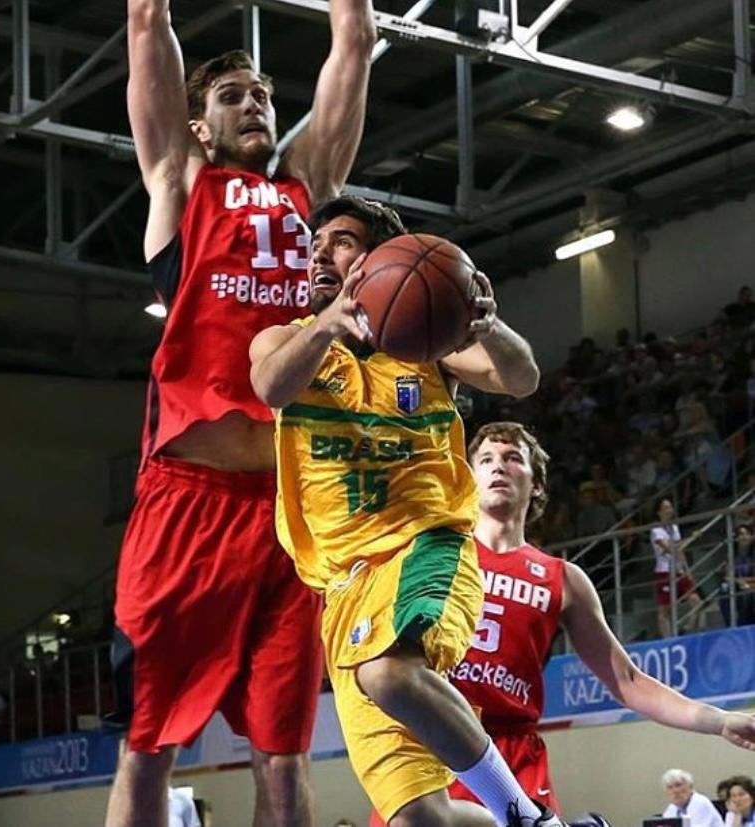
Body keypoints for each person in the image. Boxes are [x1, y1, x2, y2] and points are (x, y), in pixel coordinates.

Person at [108, 3, 377, 826]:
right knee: (150, 742)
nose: (255, 103)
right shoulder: (182, 183)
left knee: (286, 756)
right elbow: (147, 24)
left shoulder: (306, 190)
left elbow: (355, 44)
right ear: (197, 122)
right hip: (190, 496)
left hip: (293, 515)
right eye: (232, 93)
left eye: (262, 92)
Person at [250, 195, 551, 827]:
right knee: (422, 820)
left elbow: (521, 378)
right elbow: (270, 385)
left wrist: (487, 325)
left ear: (383, 260)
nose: (320, 255)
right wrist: (332, 323)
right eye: (315, 244)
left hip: (426, 546)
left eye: (340, 241)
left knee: (389, 674)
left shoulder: (427, 346)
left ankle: (530, 818)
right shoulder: (288, 342)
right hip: (342, 587)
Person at [374, 422, 755, 825]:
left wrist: (720, 719)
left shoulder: (562, 578)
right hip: (431, 737)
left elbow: (628, 681)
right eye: (485, 460)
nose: (498, 467)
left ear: (536, 484)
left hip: (512, 749)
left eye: (512, 458)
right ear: (469, 479)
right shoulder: (433, 550)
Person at [650, 498, 702, 637]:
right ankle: (667, 639)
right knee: (664, 610)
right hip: (664, 571)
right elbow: (669, 549)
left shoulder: (674, 528)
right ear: (659, 512)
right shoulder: (656, 530)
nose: (669, 510)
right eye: (665, 508)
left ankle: (686, 630)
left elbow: (680, 551)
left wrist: (688, 570)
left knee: (696, 601)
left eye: (670, 507)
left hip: (678, 570)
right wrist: (692, 538)